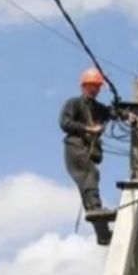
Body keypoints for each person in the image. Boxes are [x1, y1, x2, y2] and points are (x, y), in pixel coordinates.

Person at [59, 67, 118, 245]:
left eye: (97, 86)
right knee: (90, 174)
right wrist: (88, 129)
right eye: (91, 86)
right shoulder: (74, 103)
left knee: (89, 182)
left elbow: (112, 113)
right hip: (75, 147)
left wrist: (127, 114)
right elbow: (65, 123)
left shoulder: (98, 108)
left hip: (86, 150)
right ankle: (96, 210)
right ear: (84, 86)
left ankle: (102, 234)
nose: (95, 89)